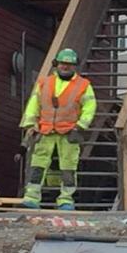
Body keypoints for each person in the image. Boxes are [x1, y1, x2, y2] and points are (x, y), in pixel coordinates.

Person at [20, 48, 96, 210]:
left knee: (68, 168)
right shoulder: (44, 82)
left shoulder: (83, 85)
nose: (65, 67)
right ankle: (32, 197)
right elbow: (34, 103)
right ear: (56, 64)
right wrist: (30, 123)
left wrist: (81, 125)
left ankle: (66, 199)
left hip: (68, 132)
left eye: (69, 64)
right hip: (45, 130)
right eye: (63, 63)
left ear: (74, 66)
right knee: (38, 166)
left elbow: (90, 106)